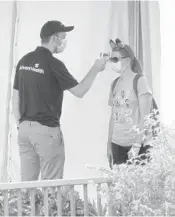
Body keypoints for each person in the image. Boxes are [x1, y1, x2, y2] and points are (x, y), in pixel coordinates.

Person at [12, 20, 107, 181]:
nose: (64, 42)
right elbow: (79, 91)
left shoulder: (24, 61)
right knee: (52, 186)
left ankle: (29, 206)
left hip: (24, 131)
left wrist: (20, 125)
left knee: (27, 187)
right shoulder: (54, 64)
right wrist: (96, 68)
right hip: (46, 131)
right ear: (55, 39)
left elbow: (15, 98)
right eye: (63, 37)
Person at [107, 38, 152, 167]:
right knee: (119, 186)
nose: (112, 62)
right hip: (117, 145)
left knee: (139, 186)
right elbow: (112, 117)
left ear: (127, 60)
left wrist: (137, 145)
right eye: (111, 59)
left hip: (137, 145)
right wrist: (109, 145)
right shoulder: (114, 84)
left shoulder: (140, 81)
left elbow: (146, 117)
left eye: (115, 59)